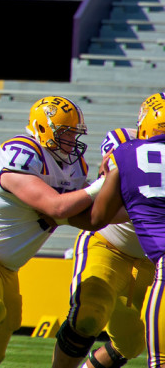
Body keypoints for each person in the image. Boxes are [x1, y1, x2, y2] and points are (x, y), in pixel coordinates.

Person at [0, 95, 107, 368]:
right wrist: (100, 185)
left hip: (8, 268)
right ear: (42, 128)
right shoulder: (21, 153)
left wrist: (123, 191)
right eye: (66, 133)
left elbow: (89, 219)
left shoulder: (73, 166)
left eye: (75, 133)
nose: (72, 140)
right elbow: (57, 207)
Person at [50, 98, 154, 368]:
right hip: (109, 245)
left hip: (152, 261)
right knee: (88, 315)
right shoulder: (124, 142)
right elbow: (111, 198)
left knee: (131, 344)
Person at [89, 91, 165, 368]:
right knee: (92, 319)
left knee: (148, 352)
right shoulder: (122, 142)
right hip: (117, 245)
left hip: (151, 255)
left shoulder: (126, 149)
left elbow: (106, 208)